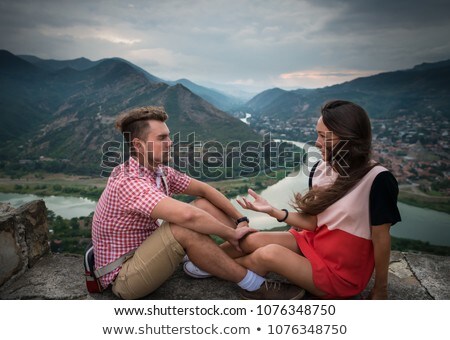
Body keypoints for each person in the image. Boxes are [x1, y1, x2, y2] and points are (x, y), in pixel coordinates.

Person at [185, 99, 401, 299]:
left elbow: (381, 239)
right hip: (313, 244)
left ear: (349, 138)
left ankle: (213, 267)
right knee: (250, 239)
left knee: (269, 254)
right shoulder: (320, 170)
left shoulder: (378, 180)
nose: (316, 143)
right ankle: (204, 261)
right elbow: (313, 223)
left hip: (340, 273)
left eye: (325, 137)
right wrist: (273, 211)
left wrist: (380, 288)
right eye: (317, 134)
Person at [91, 105, 305, 299]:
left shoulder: (158, 172)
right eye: (162, 138)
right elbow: (187, 216)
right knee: (184, 228)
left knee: (203, 204)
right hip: (125, 276)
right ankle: (255, 286)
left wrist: (241, 220)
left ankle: (228, 254)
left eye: (169, 136)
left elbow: (205, 190)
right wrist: (231, 234)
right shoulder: (129, 180)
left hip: (146, 253)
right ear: (138, 145)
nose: (170, 142)